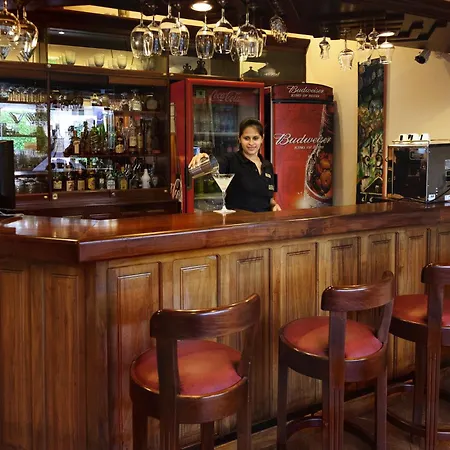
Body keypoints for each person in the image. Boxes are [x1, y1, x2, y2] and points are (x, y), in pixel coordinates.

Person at [189, 118, 281, 213]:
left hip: (264, 220)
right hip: (238, 220)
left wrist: (274, 205)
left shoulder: (268, 166)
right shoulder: (230, 160)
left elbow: (269, 198)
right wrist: (203, 158)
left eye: (255, 138)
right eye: (246, 138)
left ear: (262, 138)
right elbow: (211, 164)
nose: (251, 143)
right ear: (239, 139)